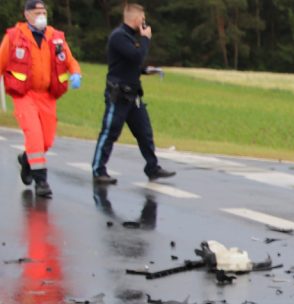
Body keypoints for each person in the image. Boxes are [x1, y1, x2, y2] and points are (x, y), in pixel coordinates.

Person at [0, 0, 82, 198]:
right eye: (37, 12)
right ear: (27, 14)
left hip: (47, 96)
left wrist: (76, 73)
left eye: (44, 12)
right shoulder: (14, 37)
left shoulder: (56, 38)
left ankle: (27, 159)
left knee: (46, 140)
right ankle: (41, 180)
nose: (41, 16)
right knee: (34, 136)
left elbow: (70, 60)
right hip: (24, 95)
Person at [91, 3, 174, 185]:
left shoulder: (130, 37)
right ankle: (98, 170)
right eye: (143, 19)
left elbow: (132, 63)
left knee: (145, 133)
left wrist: (146, 71)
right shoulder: (119, 37)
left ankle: (152, 167)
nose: (144, 23)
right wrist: (145, 39)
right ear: (136, 19)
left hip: (134, 97)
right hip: (119, 95)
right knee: (110, 132)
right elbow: (136, 56)